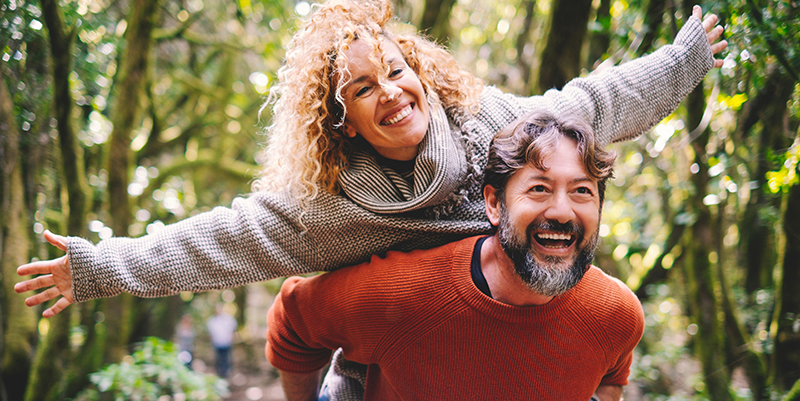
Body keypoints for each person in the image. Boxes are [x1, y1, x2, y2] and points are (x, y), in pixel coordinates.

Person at [14, 0, 726, 398]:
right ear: (342, 121)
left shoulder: (490, 125)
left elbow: (595, 102)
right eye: (362, 87)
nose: (390, 91)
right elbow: (218, 242)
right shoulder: (327, 208)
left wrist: (686, 58)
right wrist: (98, 267)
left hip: (498, 323)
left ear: (420, 73)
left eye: (395, 69)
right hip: (377, 361)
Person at [267, 109, 636, 401]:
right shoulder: (405, 294)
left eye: (582, 191)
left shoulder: (616, 314)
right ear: (495, 204)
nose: (562, 212)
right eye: (539, 188)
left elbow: (612, 376)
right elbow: (293, 322)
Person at [207, 304, 238, 378]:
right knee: (218, 359)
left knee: (226, 359)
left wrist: (233, 339)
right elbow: (210, 333)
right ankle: (220, 374)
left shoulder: (229, 319)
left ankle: (225, 374)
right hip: (217, 343)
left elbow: (233, 330)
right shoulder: (212, 321)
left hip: (226, 343)